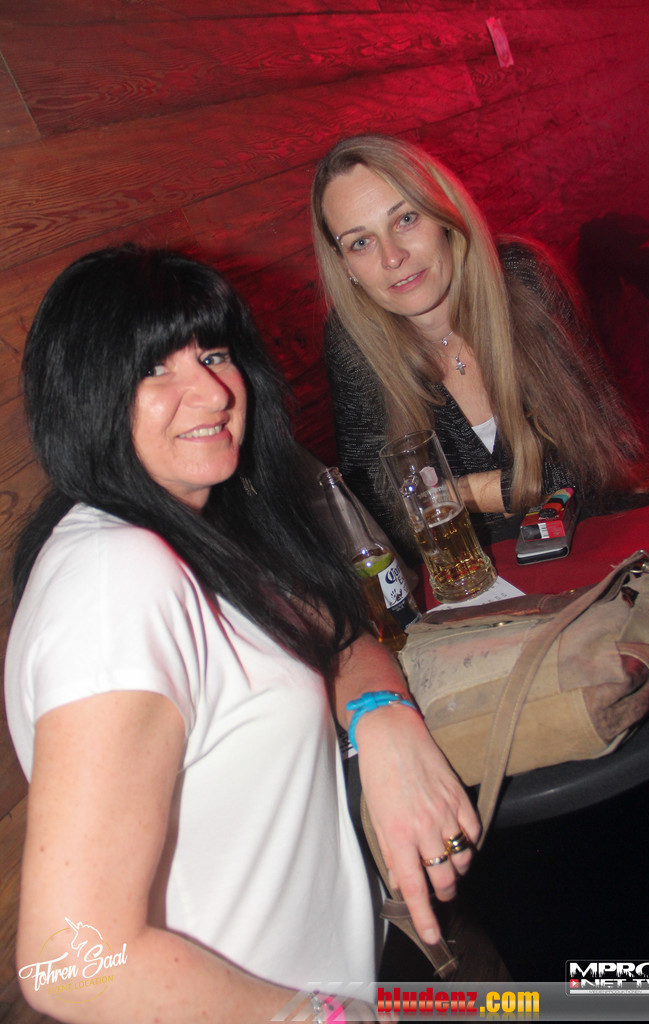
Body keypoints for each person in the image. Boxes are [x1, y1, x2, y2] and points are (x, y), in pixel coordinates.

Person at [5, 246, 480, 1023]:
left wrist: (381, 718)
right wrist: (327, 1018)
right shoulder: (117, 576)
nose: (213, 391)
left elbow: (332, 631)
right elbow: (71, 964)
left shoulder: (194, 529)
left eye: (214, 354)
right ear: (85, 396)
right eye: (154, 368)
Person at [312, 134, 646, 552]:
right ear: (345, 266)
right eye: (360, 242)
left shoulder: (523, 278)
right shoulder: (352, 342)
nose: (392, 256)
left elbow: (603, 457)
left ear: (444, 215)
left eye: (406, 219)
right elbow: (383, 518)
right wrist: (517, 489)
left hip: (595, 546)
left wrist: (455, 495)